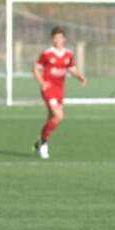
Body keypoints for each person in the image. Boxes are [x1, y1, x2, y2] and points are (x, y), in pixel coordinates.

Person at [32, 26, 85, 159]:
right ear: (52, 39)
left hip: (60, 90)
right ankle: (43, 143)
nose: (58, 40)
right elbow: (36, 68)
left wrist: (79, 76)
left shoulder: (68, 54)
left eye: (60, 38)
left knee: (52, 118)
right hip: (49, 89)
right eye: (56, 38)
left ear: (64, 39)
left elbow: (72, 69)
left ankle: (39, 144)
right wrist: (42, 82)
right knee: (59, 115)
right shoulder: (47, 54)